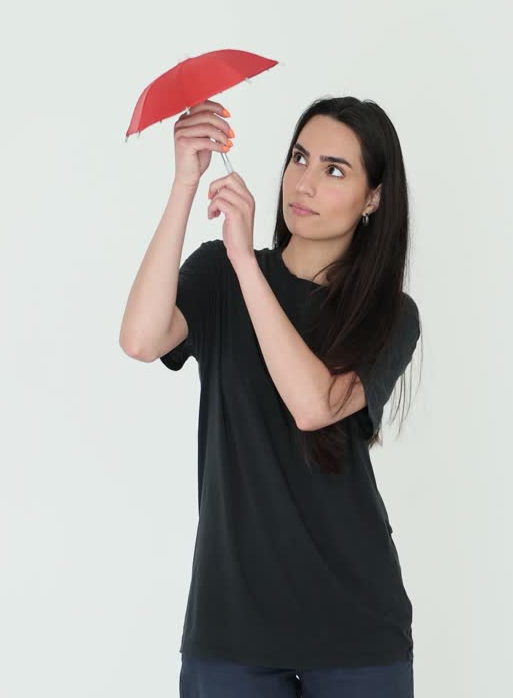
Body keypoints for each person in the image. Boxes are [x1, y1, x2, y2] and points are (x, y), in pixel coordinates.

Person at [120, 95, 422, 697]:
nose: (304, 183)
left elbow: (314, 406)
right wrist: (185, 186)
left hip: (355, 628)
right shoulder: (218, 274)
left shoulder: (389, 315)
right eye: (300, 158)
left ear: (373, 198)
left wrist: (246, 262)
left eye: (334, 170)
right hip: (232, 627)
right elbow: (140, 339)